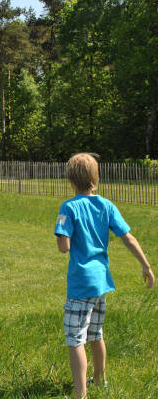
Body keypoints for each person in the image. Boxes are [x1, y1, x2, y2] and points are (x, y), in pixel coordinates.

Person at [54, 153, 154, 399]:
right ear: (95, 177)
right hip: (101, 283)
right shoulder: (106, 205)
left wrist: (61, 234)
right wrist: (146, 266)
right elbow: (128, 237)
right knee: (96, 334)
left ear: (70, 179)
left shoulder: (69, 207)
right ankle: (100, 380)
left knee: (76, 339)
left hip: (81, 284)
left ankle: (81, 395)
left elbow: (64, 247)